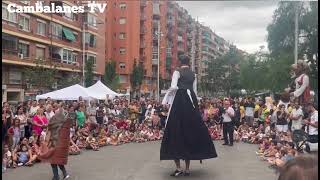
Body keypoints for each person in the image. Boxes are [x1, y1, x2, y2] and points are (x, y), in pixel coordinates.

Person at [160, 55, 217, 177]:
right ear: (189, 63)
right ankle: (187, 169)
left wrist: (167, 95)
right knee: (190, 130)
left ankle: (178, 168)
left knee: (174, 130)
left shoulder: (177, 72)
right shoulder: (193, 74)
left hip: (180, 100)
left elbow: (174, 86)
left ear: (180, 62)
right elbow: (195, 92)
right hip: (191, 101)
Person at [38, 103, 71, 180]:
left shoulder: (55, 119)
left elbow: (50, 127)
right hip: (60, 143)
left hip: (55, 143)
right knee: (57, 160)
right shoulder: (66, 120)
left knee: (54, 160)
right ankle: (63, 174)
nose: (55, 109)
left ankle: (57, 176)